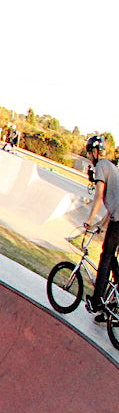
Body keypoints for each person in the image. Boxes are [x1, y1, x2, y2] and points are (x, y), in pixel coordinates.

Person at [81, 133, 119, 320]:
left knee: (105, 257)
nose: (89, 157)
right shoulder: (112, 168)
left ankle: (97, 301)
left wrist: (88, 221)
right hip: (117, 219)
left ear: (95, 152)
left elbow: (98, 196)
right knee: (112, 260)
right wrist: (99, 225)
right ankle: (112, 305)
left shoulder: (101, 166)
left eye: (89, 153)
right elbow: (112, 209)